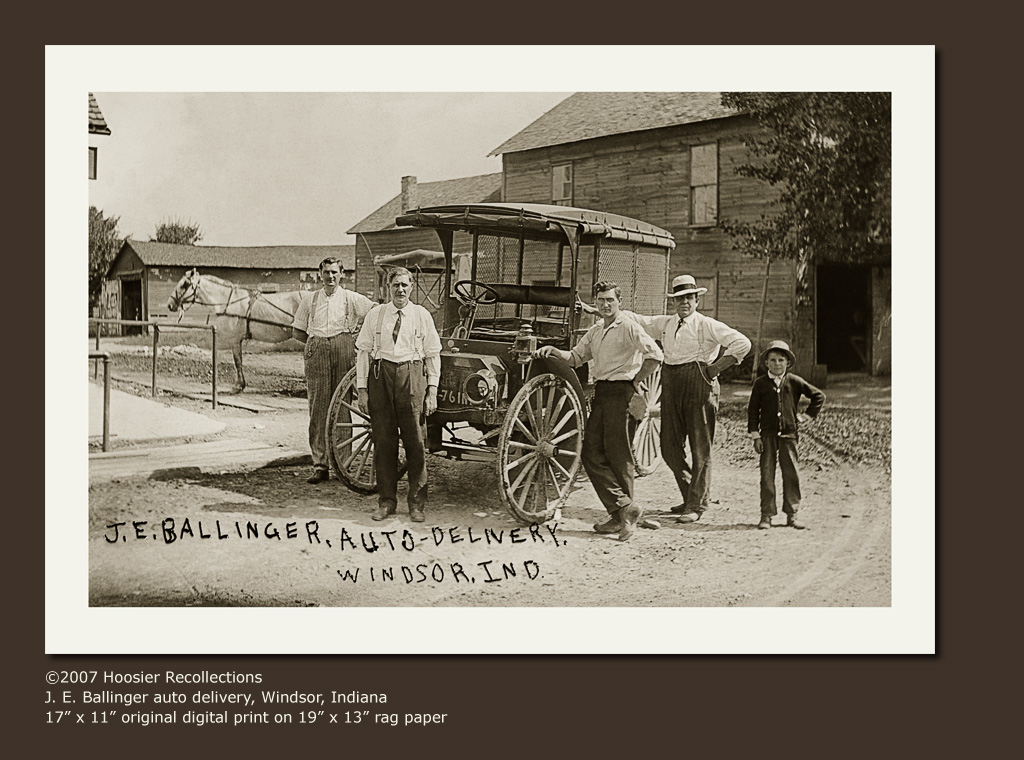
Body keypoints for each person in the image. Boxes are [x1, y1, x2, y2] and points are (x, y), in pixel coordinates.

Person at [535, 281, 663, 541]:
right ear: (596, 302)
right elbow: (575, 358)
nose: (605, 305)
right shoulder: (595, 331)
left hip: (623, 393)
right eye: (601, 300)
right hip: (602, 393)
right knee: (591, 452)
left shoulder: (627, 326)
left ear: (619, 302)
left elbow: (655, 355)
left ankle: (624, 519)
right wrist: (553, 352)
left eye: (610, 300)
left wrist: (637, 380)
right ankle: (625, 509)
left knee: (619, 456)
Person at [627, 275, 751, 524]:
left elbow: (742, 343)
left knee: (700, 448)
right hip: (671, 383)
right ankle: (692, 495)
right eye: (679, 298)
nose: (684, 302)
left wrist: (715, 369)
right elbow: (637, 319)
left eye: (689, 298)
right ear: (674, 302)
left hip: (699, 384)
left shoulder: (707, 325)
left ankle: (696, 505)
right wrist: (602, 310)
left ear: (696, 300)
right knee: (669, 448)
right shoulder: (666, 323)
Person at [355, 267, 441, 523]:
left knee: (415, 442)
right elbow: (363, 352)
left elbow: (432, 354)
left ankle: (416, 504)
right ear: (388, 288)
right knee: (384, 443)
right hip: (381, 377)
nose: (400, 290)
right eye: (395, 286)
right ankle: (387, 502)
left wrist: (432, 391)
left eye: (404, 285)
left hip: (412, 377)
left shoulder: (421, 315)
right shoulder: (376, 315)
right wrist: (362, 389)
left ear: (411, 287)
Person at [292, 257, 375, 484]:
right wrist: (316, 345)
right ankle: (320, 465)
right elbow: (298, 332)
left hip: (343, 348)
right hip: (317, 348)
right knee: (318, 407)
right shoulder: (310, 300)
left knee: (343, 407)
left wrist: (358, 338)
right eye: (326, 272)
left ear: (342, 274)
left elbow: (376, 312)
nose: (330, 277)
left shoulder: (351, 298)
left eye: (334, 272)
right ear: (320, 274)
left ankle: (343, 464)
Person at [747, 340, 825, 530]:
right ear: (766, 363)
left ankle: (792, 514)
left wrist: (806, 416)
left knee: (791, 474)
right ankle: (767, 515)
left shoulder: (794, 381)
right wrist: (755, 436)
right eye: (772, 360)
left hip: (789, 436)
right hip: (767, 436)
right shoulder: (760, 384)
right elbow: (752, 410)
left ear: (788, 362)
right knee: (767, 475)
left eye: (781, 360)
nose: (777, 364)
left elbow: (818, 396)